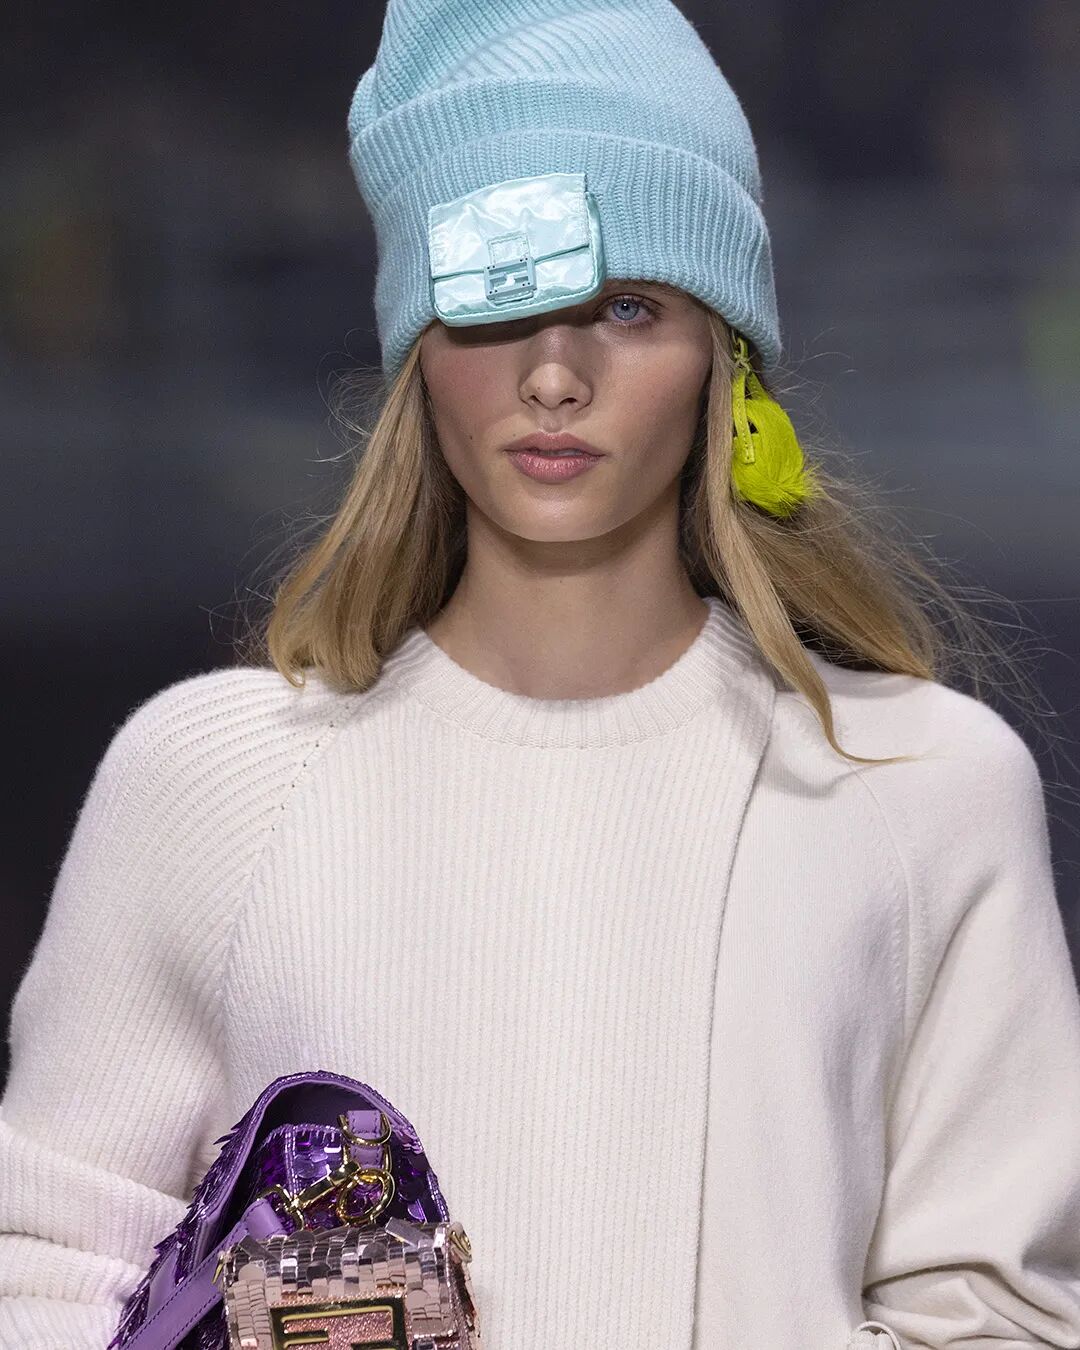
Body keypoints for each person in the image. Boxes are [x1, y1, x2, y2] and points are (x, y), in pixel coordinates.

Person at [3, 1, 1080, 1347]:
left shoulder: (923, 788)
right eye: (496, 298)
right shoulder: (210, 781)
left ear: (724, 356)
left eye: (626, 305)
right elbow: (43, 1271)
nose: (555, 374)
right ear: (418, 347)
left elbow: (1001, 1313)